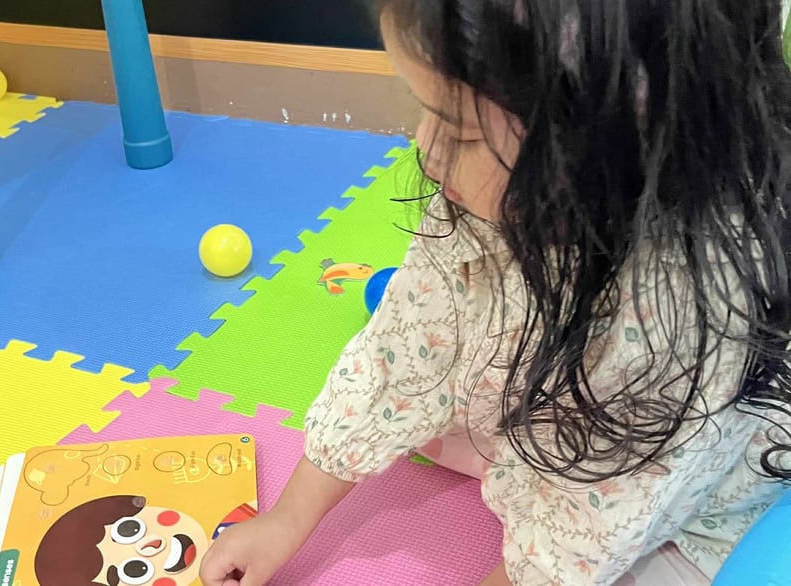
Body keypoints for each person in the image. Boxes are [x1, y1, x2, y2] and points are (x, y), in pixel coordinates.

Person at [200, 0, 791, 584]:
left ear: (602, 141)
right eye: (427, 109)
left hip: (677, 483)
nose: (427, 153)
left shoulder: (672, 313)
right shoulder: (510, 181)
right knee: (425, 391)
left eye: (459, 132)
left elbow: (590, 528)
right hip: (563, 387)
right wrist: (287, 519)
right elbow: (396, 356)